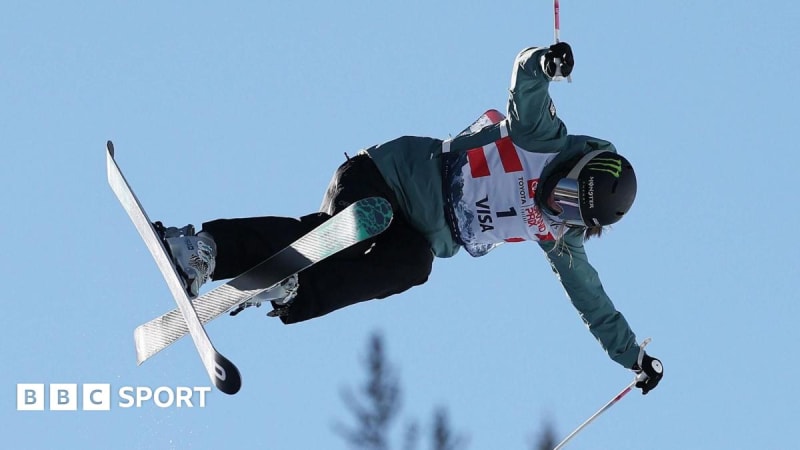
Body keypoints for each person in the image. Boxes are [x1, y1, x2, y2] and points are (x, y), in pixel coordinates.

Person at [162, 42, 663, 394]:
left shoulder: (559, 236)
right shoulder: (541, 136)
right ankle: (201, 247)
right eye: (573, 189)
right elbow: (525, 77)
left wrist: (633, 357)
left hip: (412, 233)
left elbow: (594, 303)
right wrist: (546, 61)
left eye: (574, 210)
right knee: (363, 224)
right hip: (383, 176)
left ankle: (292, 289)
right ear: (578, 165)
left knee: (416, 266)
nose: (563, 202)